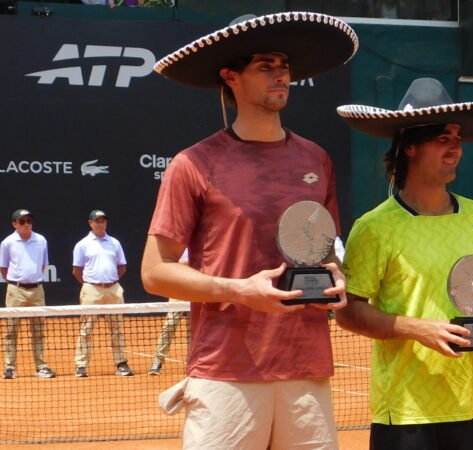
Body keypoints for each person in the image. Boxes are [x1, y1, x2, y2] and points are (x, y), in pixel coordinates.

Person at [142, 12, 357, 449]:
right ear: (231, 76)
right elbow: (155, 272)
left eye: (284, 66)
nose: (281, 75)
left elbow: (325, 254)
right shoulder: (194, 164)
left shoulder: (317, 159)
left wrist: (336, 278)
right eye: (265, 66)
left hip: (306, 367)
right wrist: (241, 290)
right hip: (227, 371)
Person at [335, 78, 473, 449]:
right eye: (443, 139)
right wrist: (417, 329)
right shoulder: (374, 227)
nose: (455, 148)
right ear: (410, 147)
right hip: (406, 414)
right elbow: (348, 311)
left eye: (457, 138)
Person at [72, 209, 132, 377]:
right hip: (92, 289)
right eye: (97, 221)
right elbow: (76, 270)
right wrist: (91, 285)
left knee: (117, 329)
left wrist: (110, 281)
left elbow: (122, 267)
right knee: (87, 329)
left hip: (113, 289)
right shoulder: (82, 244)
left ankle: (121, 363)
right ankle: (81, 365)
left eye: (103, 220)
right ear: (90, 223)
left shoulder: (115, 243)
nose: (101, 223)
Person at [0, 208, 54, 380]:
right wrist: (18, 282)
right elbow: (3, 268)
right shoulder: (7, 243)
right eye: (22, 221)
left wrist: (33, 279)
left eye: (29, 221)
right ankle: (10, 367)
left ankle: (40, 366)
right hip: (16, 291)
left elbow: (43, 265)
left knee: (38, 330)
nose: (26, 225)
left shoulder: (41, 240)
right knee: (11, 330)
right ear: (14, 224)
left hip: (37, 290)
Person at [150, 249, 188, 376]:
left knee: (194, 330)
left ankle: (192, 362)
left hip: (194, 291)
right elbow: (169, 264)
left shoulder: (200, 244)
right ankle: (158, 360)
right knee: (169, 326)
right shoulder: (176, 246)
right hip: (177, 291)